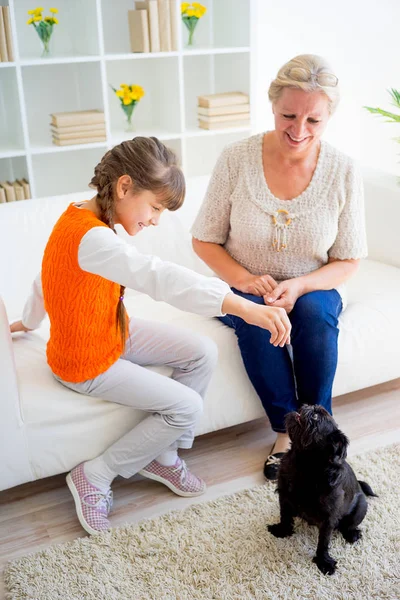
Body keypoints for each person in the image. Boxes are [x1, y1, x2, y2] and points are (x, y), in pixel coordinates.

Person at [10, 137, 291, 535]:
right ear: (124, 187)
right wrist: (243, 306)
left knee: (202, 352)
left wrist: (28, 321)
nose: (156, 220)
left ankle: (164, 455)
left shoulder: (78, 216)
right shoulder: (92, 237)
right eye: (155, 207)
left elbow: (45, 278)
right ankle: (95, 475)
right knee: (187, 408)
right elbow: (158, 277)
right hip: (85, 362)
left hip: (112, 330)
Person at [191, 54, 368, 481]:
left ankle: (319, 431)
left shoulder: (343, 169)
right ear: (272, 105)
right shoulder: (236, 159)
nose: (299, 130)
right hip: (243, 280)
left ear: (328, 118)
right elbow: (203, 239)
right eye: (289, 115)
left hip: (313, 284)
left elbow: (348, 258)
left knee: (315, 314)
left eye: (314, 121)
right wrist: (243, 279)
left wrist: (303, 285)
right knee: (255, 318)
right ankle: (286, 432)